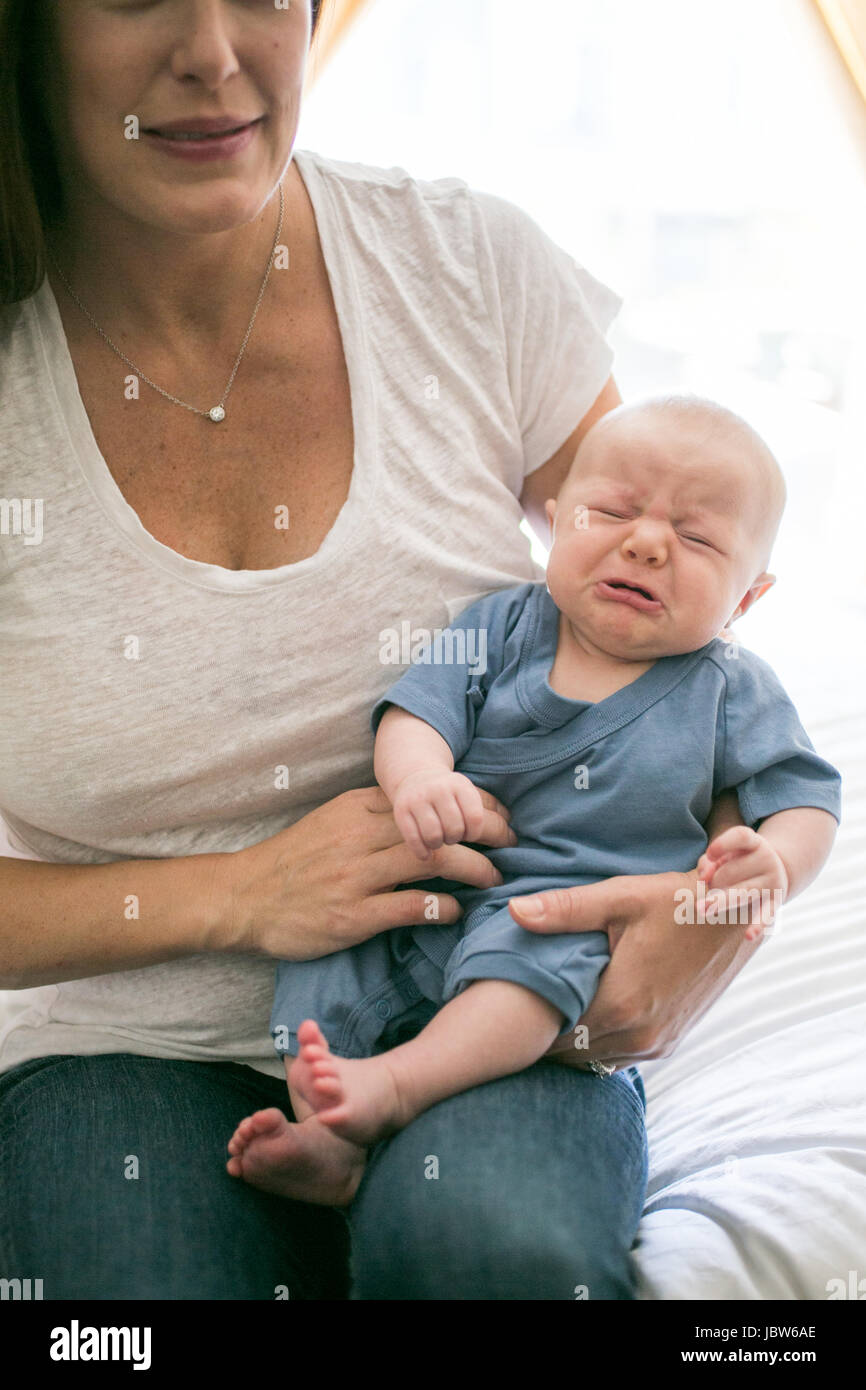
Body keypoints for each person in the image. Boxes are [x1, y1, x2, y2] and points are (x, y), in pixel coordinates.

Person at [0, 0, 770, 1300]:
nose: (214, 54)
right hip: (128, 1050)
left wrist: (719, 907)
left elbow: (683, 607)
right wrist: (242, 893)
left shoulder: (463, 266)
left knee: (494, 1257)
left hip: (482, 990)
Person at [228, 394, 840, 1202]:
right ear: (555, 523)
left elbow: (805, 800)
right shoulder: (503, 625)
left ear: (748, 600)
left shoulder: (730, 688)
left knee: (528, 976)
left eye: (695, 538)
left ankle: (398, 1087)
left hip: (567, 917)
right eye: (613, 511)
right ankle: (330, 1135)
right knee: (322, 960)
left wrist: (775, 865)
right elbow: (418, 712)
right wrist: (421, 778)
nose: (648, 542)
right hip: (436, 894)